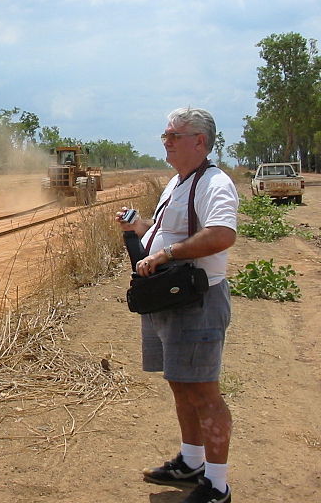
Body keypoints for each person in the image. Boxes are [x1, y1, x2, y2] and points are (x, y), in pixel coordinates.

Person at [116, 107, 239, 503]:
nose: (165, 141)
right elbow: (165, 230)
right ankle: (191, 462)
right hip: (166, 300)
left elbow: (221, 234)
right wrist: (139, 230)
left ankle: (217, 486)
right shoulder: (177, 182)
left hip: (195, 302)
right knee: (180, 383)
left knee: (204, 392)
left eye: (173, 135)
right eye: (165, 135)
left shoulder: (214, 184)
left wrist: (165, 254)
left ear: (199, 141)